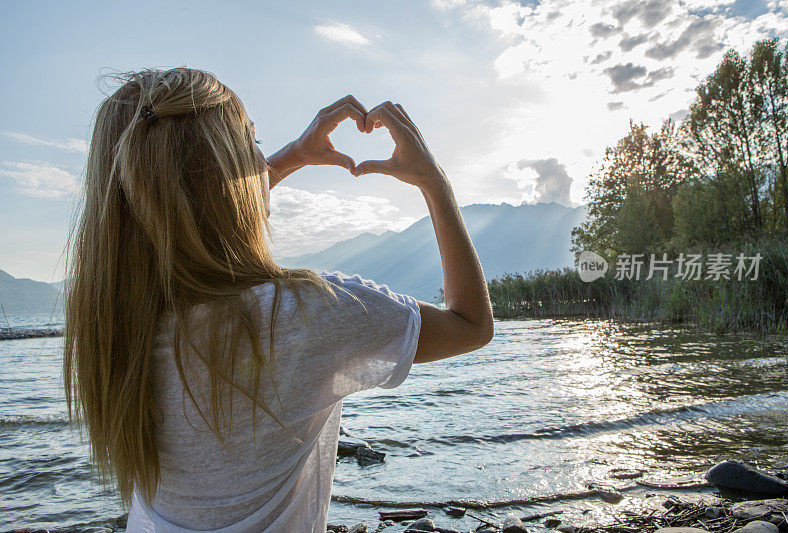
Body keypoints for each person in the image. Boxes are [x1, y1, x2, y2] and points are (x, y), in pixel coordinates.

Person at [63, 67, 493, 532]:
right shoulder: (308, 315)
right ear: (226, 175)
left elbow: (185, 218)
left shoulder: (114, 322)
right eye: (253, 142)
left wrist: (294, 155)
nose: (262, 161)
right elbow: (471, 323)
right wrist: (435, 182)